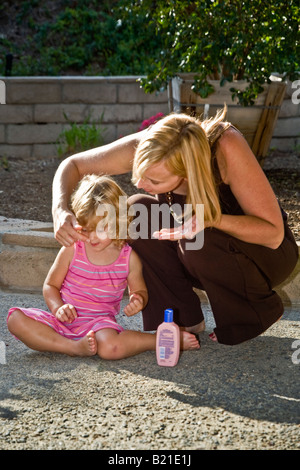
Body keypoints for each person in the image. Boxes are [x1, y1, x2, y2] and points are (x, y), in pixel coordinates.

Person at [51, 109, 298, 346]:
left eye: (154, 180)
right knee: (136, 212)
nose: (139, 182)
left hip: (264, 257)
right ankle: (182, 319)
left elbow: (273, 234)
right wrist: (61, 209)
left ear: (187, 172)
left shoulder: (225, 145)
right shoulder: (155, 143)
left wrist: (211, 219)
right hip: (198, 253)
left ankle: (254, 311)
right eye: (139, 172)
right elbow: (73, 165)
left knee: (199, 237)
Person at [6, 174, 202, 358]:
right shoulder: (73, 249)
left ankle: (157, 340)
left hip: (99, 325)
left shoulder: (128, 258)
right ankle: (72, 347)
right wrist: (58, 308)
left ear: (119, 221)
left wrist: (138, 300)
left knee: (110, 348)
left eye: (102, 229)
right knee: (15, 319)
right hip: (62, 321)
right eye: (87, 229)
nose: (92, 237)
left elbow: (139, 289)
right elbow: (50, 286)